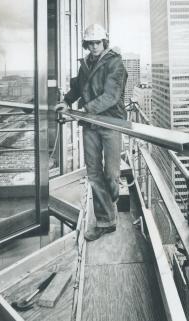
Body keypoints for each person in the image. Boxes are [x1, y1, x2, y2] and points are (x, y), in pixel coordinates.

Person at [55, 24, 128, 241]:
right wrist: (66, 101)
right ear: (86, 44)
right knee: (94, 173)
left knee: (111, 175)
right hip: (90, 125)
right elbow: (78, 87)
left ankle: (110, 201)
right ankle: (106, 221)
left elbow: (111, 96)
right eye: (91, 43)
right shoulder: (86, 64)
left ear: (104, 42)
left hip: (110, 123)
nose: (95, 46)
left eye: (98, 42)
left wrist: (83, 110)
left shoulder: (115, 64)